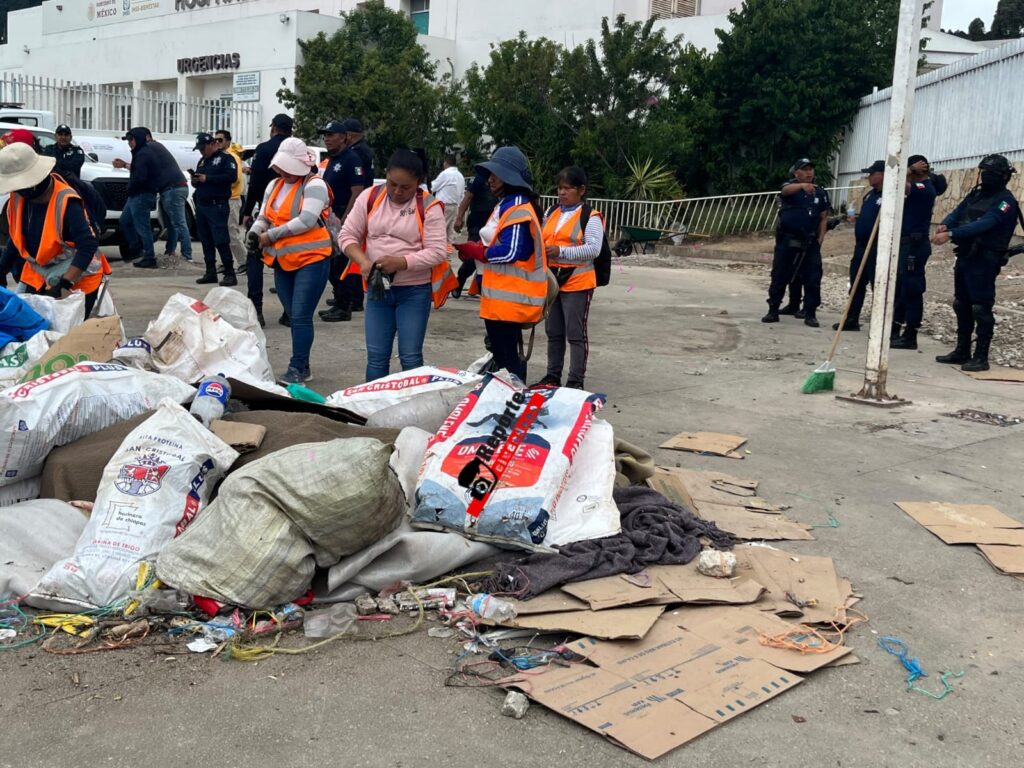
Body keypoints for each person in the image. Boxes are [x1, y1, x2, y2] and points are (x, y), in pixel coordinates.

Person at [340, 149, 448, 382]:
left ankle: (412, 401)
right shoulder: (369, 197)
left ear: (418, 183)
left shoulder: (429, 206)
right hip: (378, 289)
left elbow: (438, 251)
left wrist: (401, 262)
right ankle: (373, 402)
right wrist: (363, 261)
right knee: (376, 358)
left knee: (410, 357)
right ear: (385, 175)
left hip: (414, 291)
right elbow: (346, 236)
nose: (397, 191)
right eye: (392, 184)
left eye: (405, 187)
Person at [454, 146, 546, 382]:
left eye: (496, 174)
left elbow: (512, 251)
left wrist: (478, 251)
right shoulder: (506, 204)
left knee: (507, 362)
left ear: (510, 178)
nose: (490, 179)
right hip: (500, 297)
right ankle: (512, 397)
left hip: (508, 300)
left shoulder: (516, 208)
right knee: (505, 359)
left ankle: (514, 398)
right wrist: (475, 251)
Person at [248, 137, 332, 384]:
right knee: (294, 316)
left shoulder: (315, 185)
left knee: (301, 314)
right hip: (283, 260)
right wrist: (254, 233)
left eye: (287, 167)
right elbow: (264, 216)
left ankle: (297, 367)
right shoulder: (274, 185)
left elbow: (307, 220)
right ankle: (303, 364)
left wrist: (269, 236)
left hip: (312, 259)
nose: (283, 172)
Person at [0, 142, 110, 317]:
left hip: (77, 278)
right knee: (26, 324)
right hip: (40, 274)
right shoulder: (18, 198)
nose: (18, 191)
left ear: (34, 183)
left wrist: (65, 283)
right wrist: (2, 268)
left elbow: (87, 245)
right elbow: (17, 238)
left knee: (65, 331)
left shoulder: (67, 202)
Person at [931, 154, 1019, 372]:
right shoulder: (976, 194)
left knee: (981, 307)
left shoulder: (1006, 201)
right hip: (966, 255)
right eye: (985, 172)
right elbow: (958, 211)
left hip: (986, 259)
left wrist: (952, 233)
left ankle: (981, 357)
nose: (987, 176)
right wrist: (945, 224)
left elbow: (986, 223)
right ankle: (962, 350)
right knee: (961, 304)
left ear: (1004, 176)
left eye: (992, 173)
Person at [533, 166, 604, 390]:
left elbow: (593, 249)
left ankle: (575, 380)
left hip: (577, 281)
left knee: (575, 333)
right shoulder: (552, 212)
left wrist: (561, 251)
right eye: (559, 188)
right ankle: (552, 375)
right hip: (552, 280)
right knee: (553, 331)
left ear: (581, 190)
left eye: (567, 188)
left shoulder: (590, 217)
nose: (562, 192)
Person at [763, 158, 829, 327]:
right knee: (780, 275)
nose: (809, 172)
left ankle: (810, 313)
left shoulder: (820, 192)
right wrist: (801, 186)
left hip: (810, 242)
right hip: (788, 240)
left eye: (811, 169)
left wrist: (821, 238)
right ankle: (773, 309)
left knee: (812, 278)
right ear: (796, 173)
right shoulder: (791, 187)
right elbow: (785, 190)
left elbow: (823, 217)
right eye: (805, 169)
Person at [890, 154, 947, 350]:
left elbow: (895, 183)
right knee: (902, 288)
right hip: (907, 243)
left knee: (912, 289)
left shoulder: (924, 188)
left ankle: (910, 334)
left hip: (915, 245)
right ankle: (896, 329)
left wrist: (909, 170)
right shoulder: (917, 187)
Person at [317, 119, 370, 323]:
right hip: (331, 215)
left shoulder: (351, 159)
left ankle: (345, 306)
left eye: (331, 135)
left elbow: (357, 192)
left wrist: (345, 218)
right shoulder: (333, 159)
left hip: (343, 215)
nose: (327, 139)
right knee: (333, 264)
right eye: (325, 135)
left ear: (343, 137)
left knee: (339, 264)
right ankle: (341, 301)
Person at [243, 113, 293, 325]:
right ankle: (290, 311)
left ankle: (257, 310)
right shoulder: (297, 149)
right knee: (287, 262)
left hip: (267, 211)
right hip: (291, 214)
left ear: (273, 128)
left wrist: (247, 211)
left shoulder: (263, 149)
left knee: (255, 258)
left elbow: (255, 183)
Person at [120, 127, 182, 269]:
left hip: (142, 194)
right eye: (128, 140)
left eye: (131, 139)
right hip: (137, 194)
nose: (129, 142)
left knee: (142, 226)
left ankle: (149, 256)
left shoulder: (144, 154)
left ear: (139, 139)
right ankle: (137, 249)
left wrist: (131, 187)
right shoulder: (141, 153)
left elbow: (141, 177)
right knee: (125, 221)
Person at [833, 161, 884, 333]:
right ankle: (851, 318)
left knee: (878, 285)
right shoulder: (870, 195)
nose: (869, 177)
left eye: (872, 173)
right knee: (856, 283)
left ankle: (880, 324)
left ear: (883, 174)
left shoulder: (889, 196)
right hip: (861, 247)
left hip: (876, 248)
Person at [191, 132, 239, 286]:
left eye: (203, 148)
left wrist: (208, 178)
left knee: (221, 240)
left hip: (217, 205)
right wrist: (196, 180)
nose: (201, 152)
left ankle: (229, 273)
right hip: (202, 205)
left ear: (212, 144)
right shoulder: (203, 161)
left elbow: (232, 177)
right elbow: (199, 182)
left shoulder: (225, 158)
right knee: (206, 240)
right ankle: (210, 271)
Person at [453, 166, 498, 297]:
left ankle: (484, 290)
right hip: (477, 224)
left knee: (487, 258)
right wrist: (459, 217)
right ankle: (460, 281)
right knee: (473, 256)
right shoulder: (479, 178)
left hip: (493, 225)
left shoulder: (503, 180)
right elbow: (467, 197)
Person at [148, 134, 192, 265]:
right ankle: (170, 251)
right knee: (173, 224)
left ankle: (187, 255)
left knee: (179, 223)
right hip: (176, 188)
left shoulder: (151, 147)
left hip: (173, 189)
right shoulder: (158, 148)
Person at [216, 129, 246, 268]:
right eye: (215, 140)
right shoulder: (219, 157)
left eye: (220, 140)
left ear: (228, 142)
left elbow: (236, 179)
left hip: (232, 199)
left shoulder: (232, 157)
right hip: (222, 199)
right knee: (222, 233)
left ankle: (244, 262)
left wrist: (216, 181)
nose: (217, 142)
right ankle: (226, 261)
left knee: (232, 232)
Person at [431, 153, 465, 243]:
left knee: (439, 232)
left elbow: (433, 187)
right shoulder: (460, 176)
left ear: (445, 162)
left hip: (444, 206)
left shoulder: (445, 174)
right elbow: (462, 194)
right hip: (455, 206)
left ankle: (438, 250)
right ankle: (448, 251)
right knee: (450, 234)